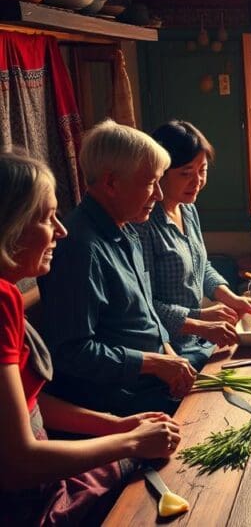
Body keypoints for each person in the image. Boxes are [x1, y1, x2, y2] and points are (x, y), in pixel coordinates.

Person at [0, 150, 181, 526]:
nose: (60, 230)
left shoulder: (9, 293)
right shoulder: (6, 297)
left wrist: (117, 426)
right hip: (25, 503)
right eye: (47, 218)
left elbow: (27, 405)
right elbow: (18, 465)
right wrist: (131, 442)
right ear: (9, 226)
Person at [38, 120, 197, 416]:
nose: (159, 195)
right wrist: (153, 363)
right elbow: (72, 353)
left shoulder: (127, 229)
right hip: (120, 404)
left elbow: (145, 314)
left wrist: (168, 353)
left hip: (154, 385)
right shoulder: (80, 249)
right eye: (150, 183)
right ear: (111, 183)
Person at [135, 120, 251, 370]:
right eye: (186, 173)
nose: (197, 181)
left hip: (199, 339)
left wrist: (232, 298)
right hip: (169, 351)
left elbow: (201, 266)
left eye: (202, 170)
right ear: (160, 172)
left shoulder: (188, 210)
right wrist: (201, 316)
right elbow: (145, 304)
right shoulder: (144, 223)